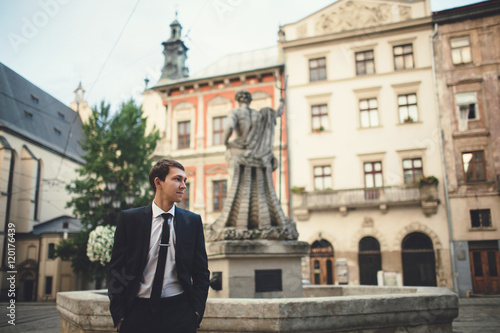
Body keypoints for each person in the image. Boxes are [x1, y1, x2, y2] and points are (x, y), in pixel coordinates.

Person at [107, 159, 210, 332]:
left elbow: (201, 272)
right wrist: (119, 316)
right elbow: (117, 269)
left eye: (185, 180)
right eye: (177, 179)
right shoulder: (130, 220)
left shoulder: (192, 222)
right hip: (137, 313)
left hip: (180, 313)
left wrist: (196, 313)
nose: (183, 185)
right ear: (158, 182)